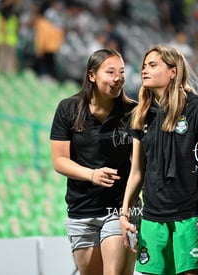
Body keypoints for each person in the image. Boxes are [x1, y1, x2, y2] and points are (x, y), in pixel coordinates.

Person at [120, 44, 198, 275]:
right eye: (144, 66)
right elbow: (136, 171)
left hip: (190, 214)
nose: (145, 70)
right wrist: (125, 212)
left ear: (173, 72)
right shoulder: (139, 114)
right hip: (152, 217)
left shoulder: (197, 107)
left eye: (153, 65)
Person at [49, 49, 137, 275]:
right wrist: (91, 174)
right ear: (91, 75)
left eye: (122, 72)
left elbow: (141, 163)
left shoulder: (133, 112)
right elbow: (59, 160)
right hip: (81, 210)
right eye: (110, 72)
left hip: (120, 209)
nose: (118, 78)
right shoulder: (68, 109)